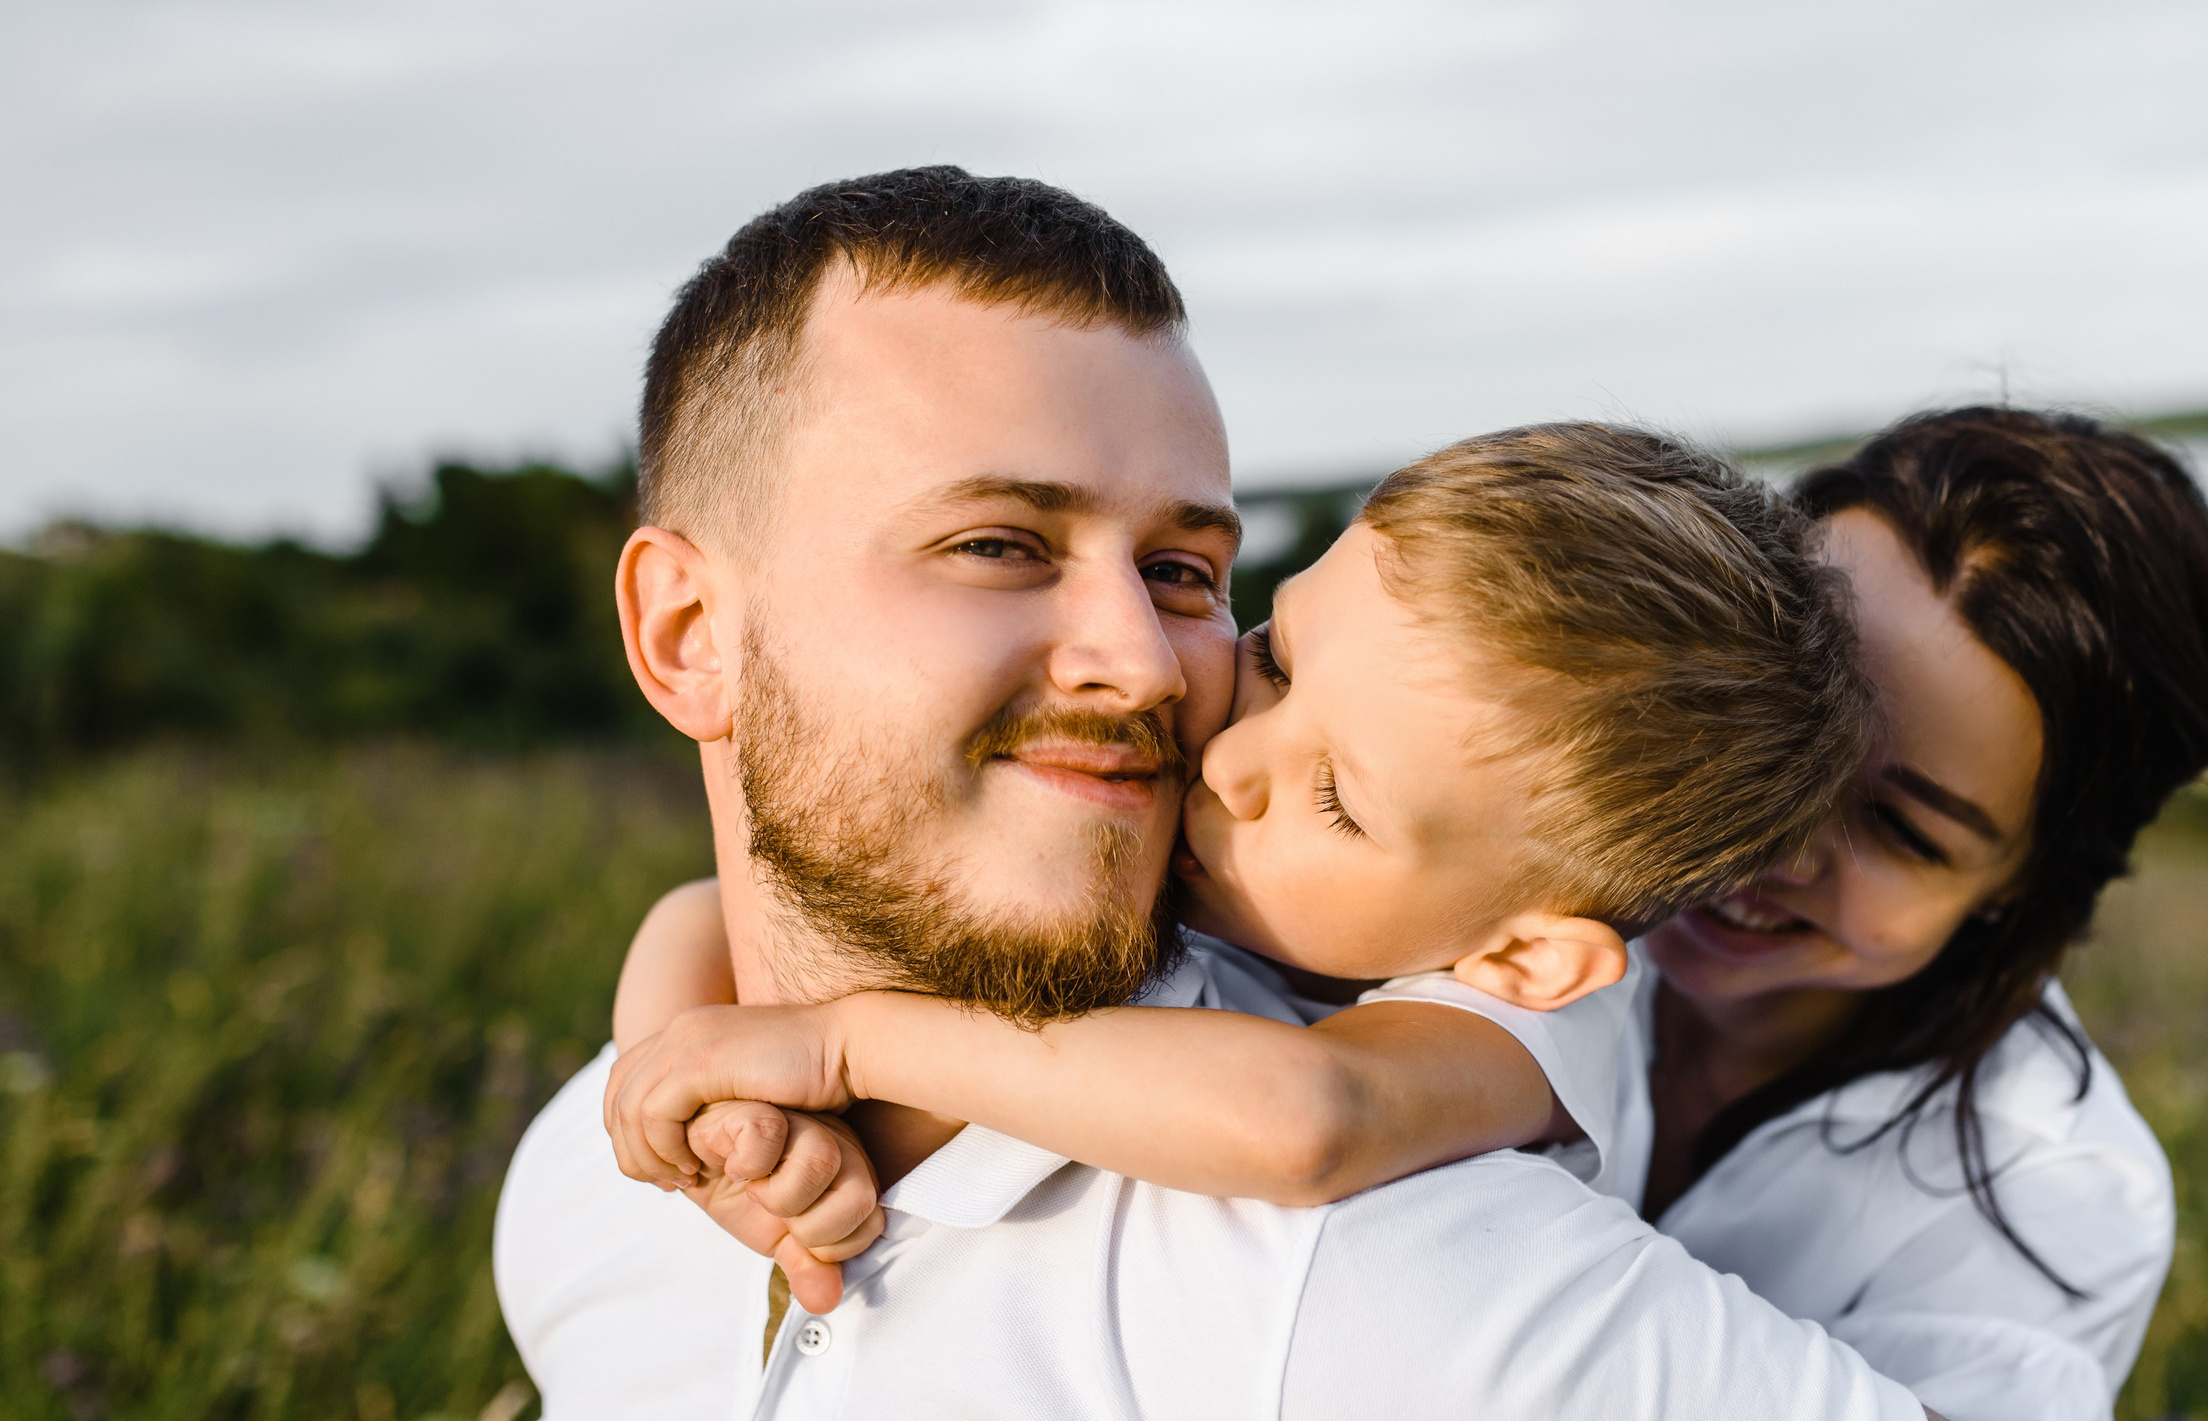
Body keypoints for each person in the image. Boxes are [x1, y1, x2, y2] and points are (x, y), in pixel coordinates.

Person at [493, 166, 2208, 1421]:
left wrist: (832, 1041)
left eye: (1180, 570)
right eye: (1001, 544)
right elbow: (723, 924)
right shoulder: (590, 1181)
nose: (1751, 864)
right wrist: (686, 1072)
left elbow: (1309, 1124)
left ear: (2023, 889)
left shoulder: (1441, 1223)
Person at [602, 419, 1869, 1305]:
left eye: (1336, 798)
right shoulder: (1272, 874)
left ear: (1527, 952)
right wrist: (705, 1098)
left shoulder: (1527, 1029)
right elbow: (702, 909)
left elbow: (1299, 1118)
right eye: (1277, 656)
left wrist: (842, 1046)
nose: (1229, 758)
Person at [1642, 410, 2208, 1421]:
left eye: (1900, 829)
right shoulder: (1450, 832)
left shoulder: (2049, 1198)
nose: (1771, 840)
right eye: (1764, 714)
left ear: (2023, 885)